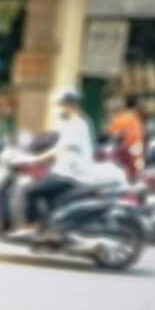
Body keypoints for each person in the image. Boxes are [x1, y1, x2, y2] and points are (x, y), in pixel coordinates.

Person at [22, 90, 95, 229]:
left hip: (71, 174)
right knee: (45, 195)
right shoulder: (66, 123)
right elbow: (50, 140)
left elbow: (60, 149)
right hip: (63, 171)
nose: (59, 109)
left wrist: (36, 159)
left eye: (62, 105)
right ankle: (49, 230)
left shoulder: (78, 125)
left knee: (28, 191)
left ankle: (31, 227)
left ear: (71, 106)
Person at [105, 95, 145, 180]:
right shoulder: (136, 121)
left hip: (119, 158)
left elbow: (109, 136)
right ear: (137, 107)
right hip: (132, 159)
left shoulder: (117, 119)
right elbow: (138, 141)